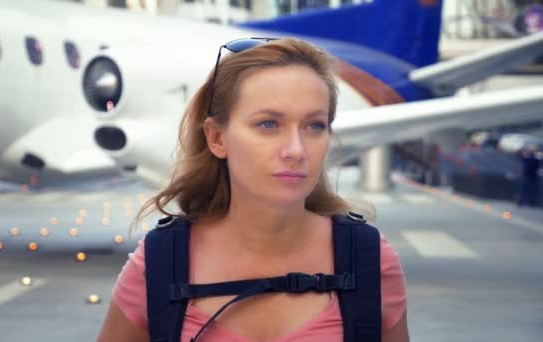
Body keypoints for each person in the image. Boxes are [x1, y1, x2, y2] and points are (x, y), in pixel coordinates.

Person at [97, 38, 409, 341]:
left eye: (314, 125)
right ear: (216, 138)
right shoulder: (159, 262)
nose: (296, 150)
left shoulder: (369, 259)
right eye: (269, 124)